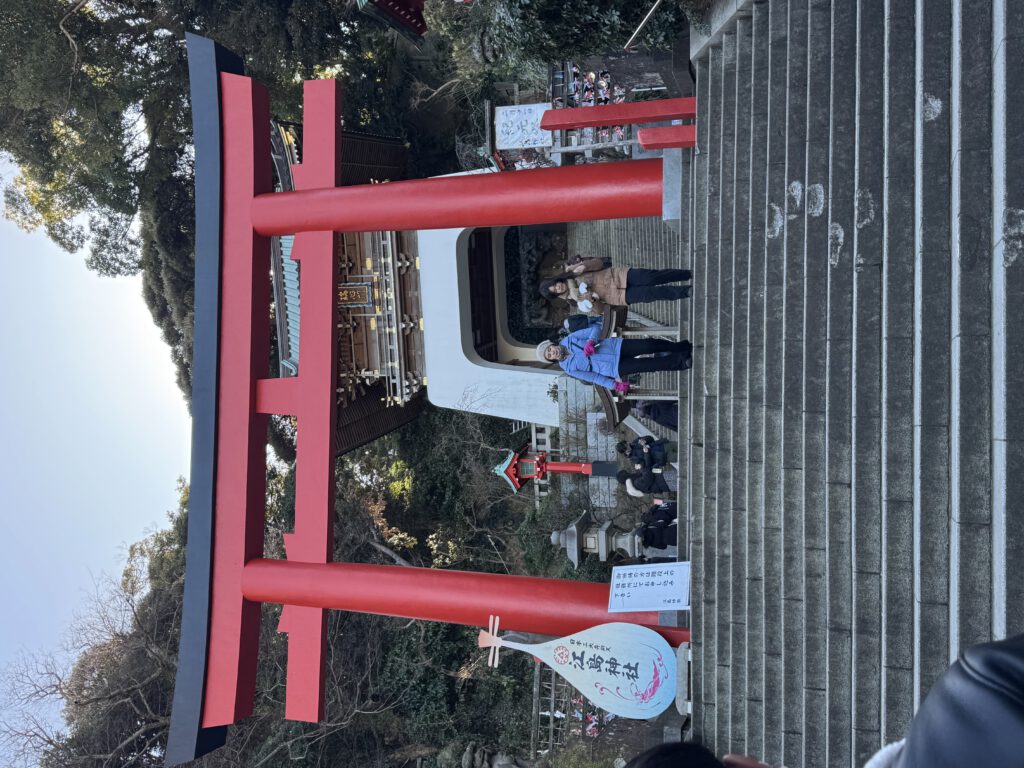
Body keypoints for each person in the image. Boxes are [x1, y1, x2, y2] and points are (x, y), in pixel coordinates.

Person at [535, 323, 691, 392]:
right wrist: (613, 385)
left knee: (649, 345)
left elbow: (595, 329)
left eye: (549, 350)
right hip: (612, 368)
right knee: (649, 365)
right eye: (549, 355)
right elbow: (593, 377)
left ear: (552, 345)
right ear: (552, 359)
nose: (552, 353)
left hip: (615, 346)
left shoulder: (569, 339)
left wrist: (590, 341)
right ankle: (681, 362)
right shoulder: (568, 368)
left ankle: (679, 347)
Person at [538, 256, 692, 316]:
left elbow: (599, 263)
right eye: (556, 291)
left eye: (555, 285)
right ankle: (686, 291)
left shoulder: (573, 271)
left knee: (653, 276)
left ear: (556, 280)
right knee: (653, 293)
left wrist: (584, 266)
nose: (558, 287)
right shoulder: (574, 300)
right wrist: (591, 300)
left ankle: (685, 274)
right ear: (556, 295)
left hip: (619, 276)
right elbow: (601, 311)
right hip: (619, 296)